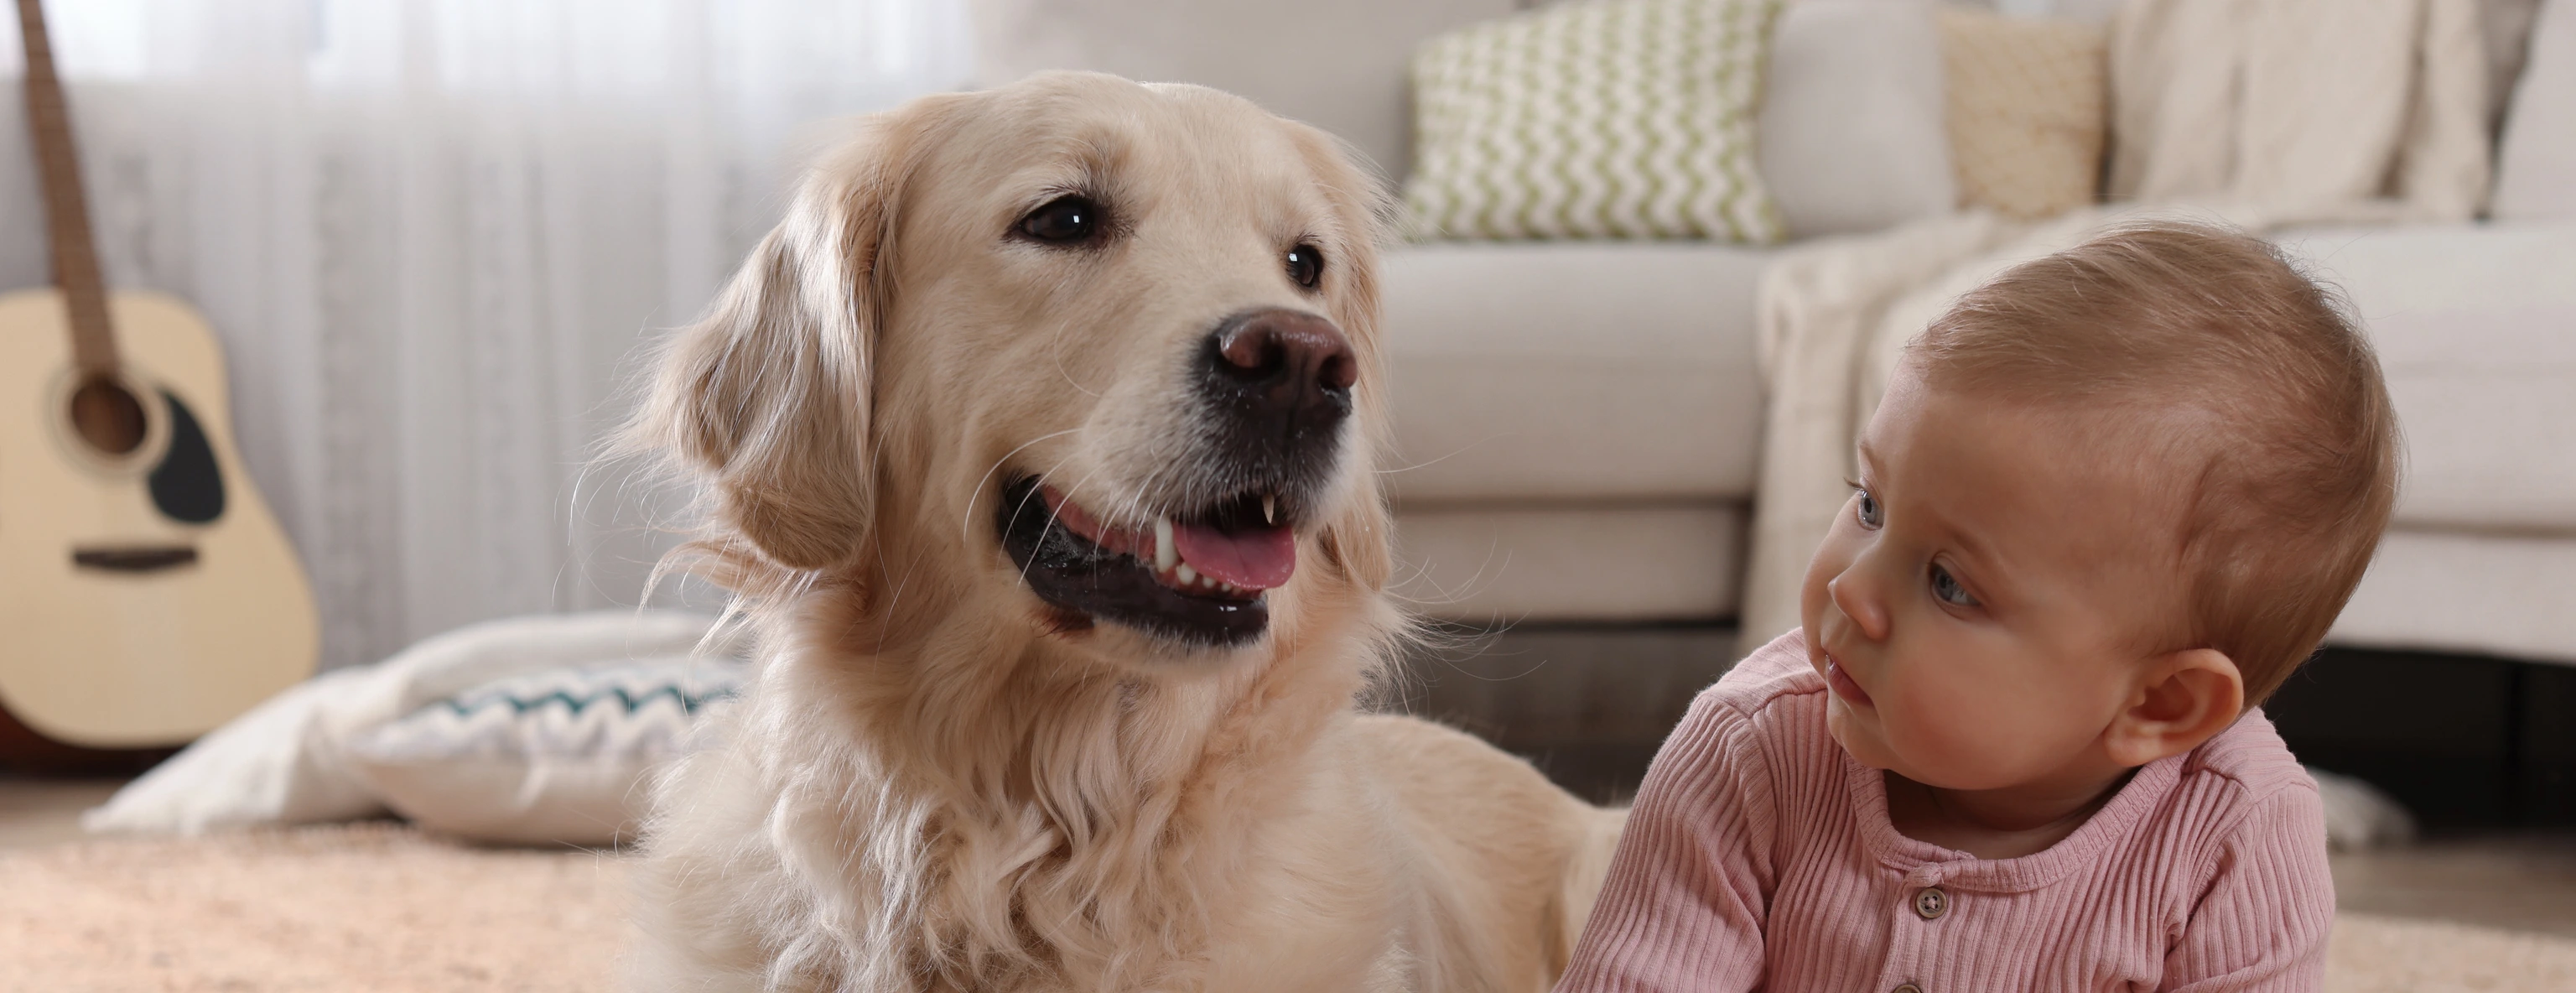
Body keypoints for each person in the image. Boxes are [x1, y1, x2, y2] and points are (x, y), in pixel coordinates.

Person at [1556, 221, 2397, 992]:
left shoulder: (2237, 830)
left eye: (1949, 582)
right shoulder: (1750, 751)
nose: (1853, 587)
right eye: (1871, 503)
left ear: (2158, 702)